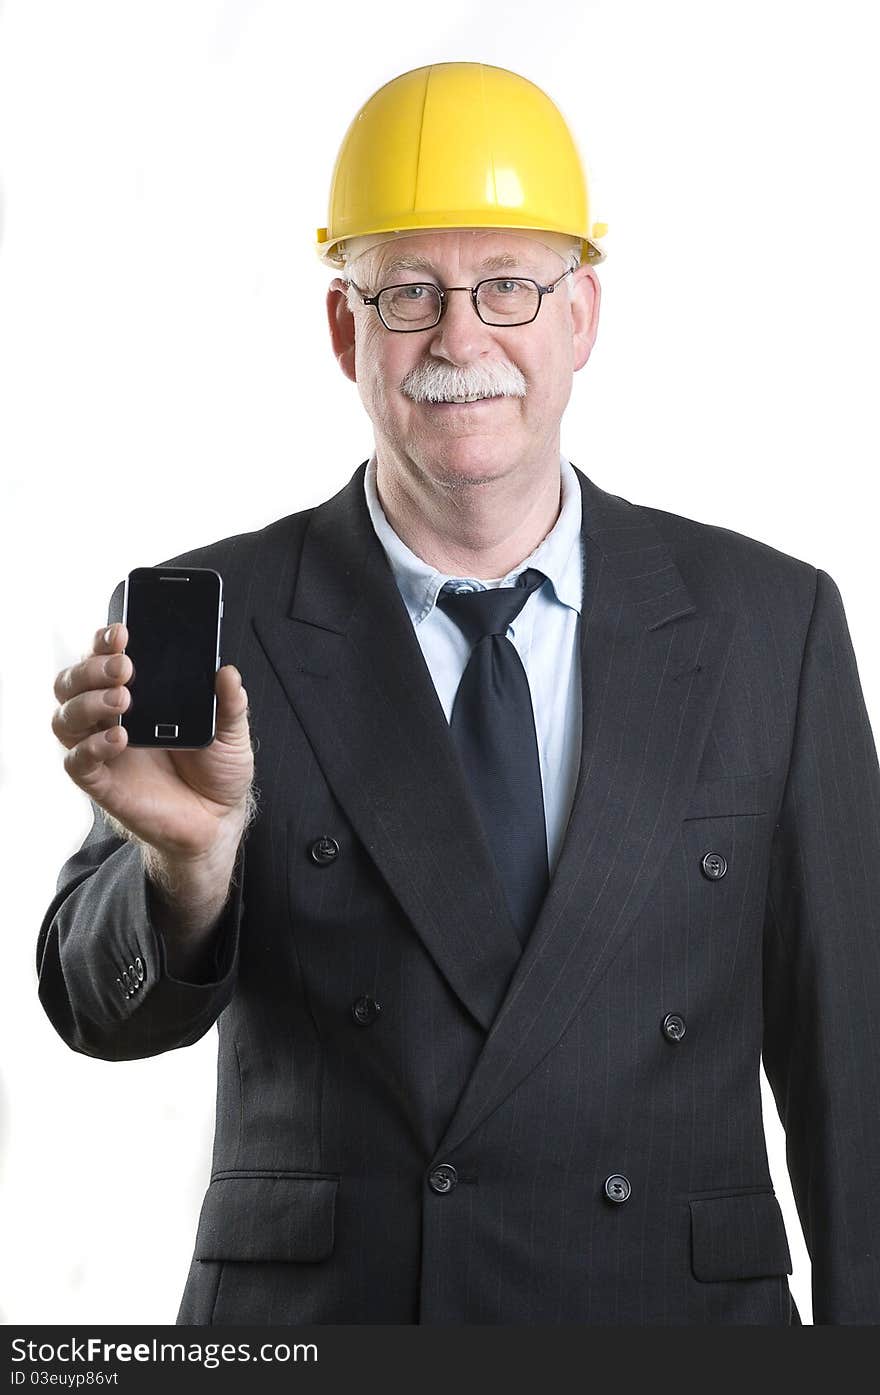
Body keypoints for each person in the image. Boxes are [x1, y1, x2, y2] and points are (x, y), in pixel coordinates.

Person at [38, 60, 880, 1326]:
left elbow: (854, 1065)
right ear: (345, 331)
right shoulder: (216, 616)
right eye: (409, 291)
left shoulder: (772, 623)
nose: (460, 338)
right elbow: (91, 1010)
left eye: (508, 286)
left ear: (581, 317)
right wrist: (189, 872)